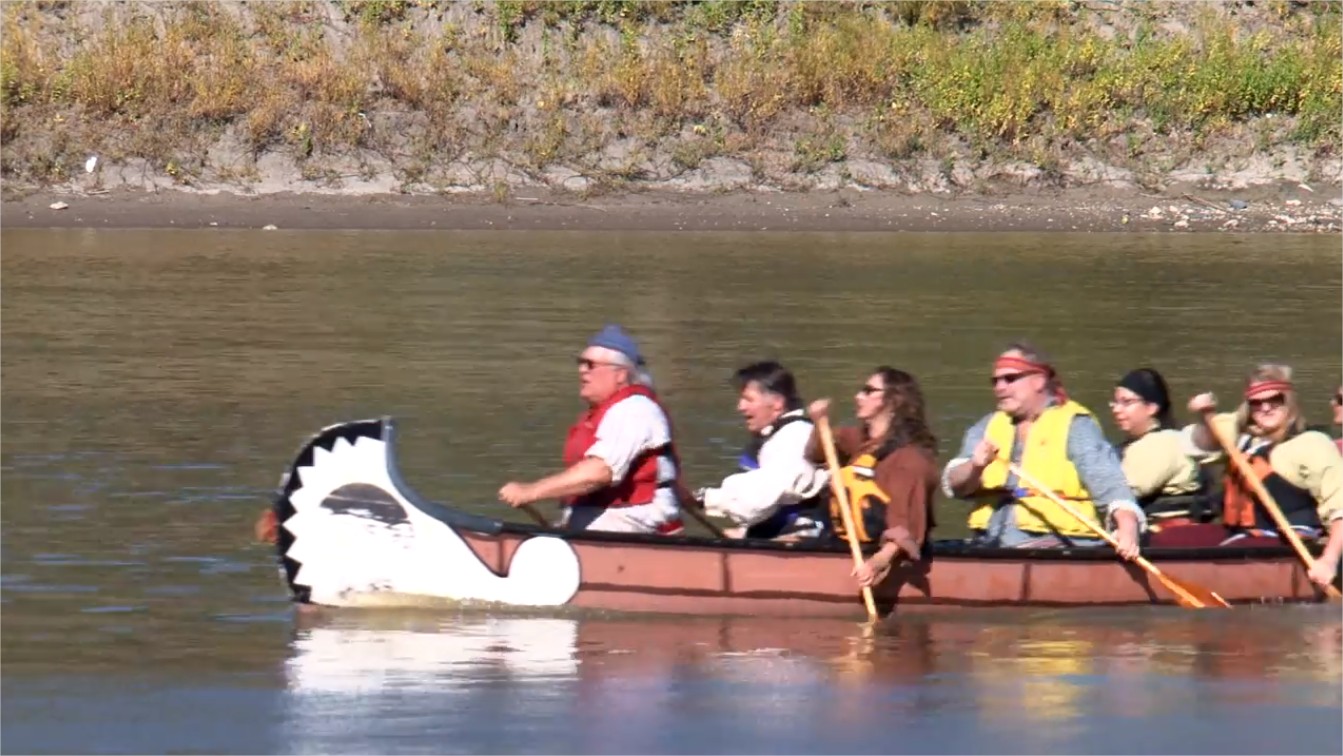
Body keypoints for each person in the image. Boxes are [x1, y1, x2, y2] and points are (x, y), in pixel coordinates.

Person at [941, 343, 1144, 558]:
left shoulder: (1075, 425)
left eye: (1010, 379)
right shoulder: (987, 426)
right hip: (990, 544)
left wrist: (1127, 529)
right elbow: (955, 485)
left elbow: (1112, 487)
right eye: (995, 381)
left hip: (1059, 546)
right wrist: (975, 467)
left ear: (1038, 380)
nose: (999, 387)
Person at [498, 324, 684, 534]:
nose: (582, 370)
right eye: (581, 363)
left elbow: (599, 472)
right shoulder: (606, 413)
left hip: (635, 528)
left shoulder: (635, 410)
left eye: (590, 365)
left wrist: (530, 491)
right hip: (604, 526)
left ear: (620, 374)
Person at [1185, 364, 1343, 587]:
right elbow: (1205, 443)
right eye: (1257, 403)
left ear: (1288, 401)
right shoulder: (1245, 442)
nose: (1266, 408)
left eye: (1274, 400)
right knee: (1170, 539)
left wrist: (1329, 560)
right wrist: (1206, 416)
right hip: (1243, 534)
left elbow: (1340, 507)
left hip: (1292, 540)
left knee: (1231, 551)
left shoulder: (1312, 444)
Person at [804, 367, 940, 589]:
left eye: (869, 391)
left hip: (882, 556)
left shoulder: (910, 460)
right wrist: (819, 422)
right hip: (846, 544)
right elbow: (816, 453)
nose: (858, 396)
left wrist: (878, 562)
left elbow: (904, 527)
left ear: (894, 401)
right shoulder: (859, 441)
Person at [695, 361, 830, 539]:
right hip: (775, 532)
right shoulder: (773, 435)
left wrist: (705, 498)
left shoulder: (795, 436)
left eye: (749, 400)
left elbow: (764, 492)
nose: (740, 407)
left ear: (777, 403)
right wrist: (743, 532)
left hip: (801, 537)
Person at [1110, 368, 1209, 526]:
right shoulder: (1133, 445)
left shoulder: (1164, 443)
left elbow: (1126, 490)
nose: (1116, 409)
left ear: (1151, 407)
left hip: (1165, 532)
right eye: (1115, 402)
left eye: (1126, 402)